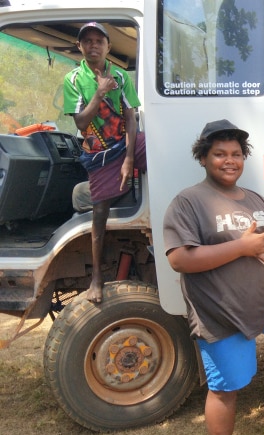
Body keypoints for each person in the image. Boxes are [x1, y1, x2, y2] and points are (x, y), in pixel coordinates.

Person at [163, 119, 264, 435]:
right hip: (221, 314)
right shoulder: (188, 201)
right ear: (203, 158)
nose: (229, 160)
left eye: (236, 154)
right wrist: (240, 248)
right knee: (227, 389)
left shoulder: (255, 200)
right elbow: (179, 259)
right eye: (219, 154)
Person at [63, 22, 147, 303]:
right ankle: (97, 278)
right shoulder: (73, 80)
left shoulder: (121, 77)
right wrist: (99, 93)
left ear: (108, 46)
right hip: (99, 154)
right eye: (87, 41)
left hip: (125, 145)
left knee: (161, 149)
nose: (93, 45)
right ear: (80, 47)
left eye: (99, 41)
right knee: (99, 213)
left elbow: (131, 118)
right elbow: (81, 122)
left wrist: (130, 159)